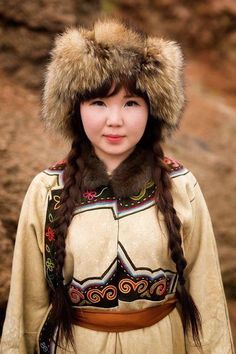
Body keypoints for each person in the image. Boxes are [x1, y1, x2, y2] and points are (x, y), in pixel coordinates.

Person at [0, 18, 234, 354]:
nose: (115, 120)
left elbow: (207, 301)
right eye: (98, 103)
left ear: (152, 110)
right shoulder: (47, 189)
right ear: (74, 108)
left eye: (131, 103)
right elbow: (26, 307)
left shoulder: (181, 185)